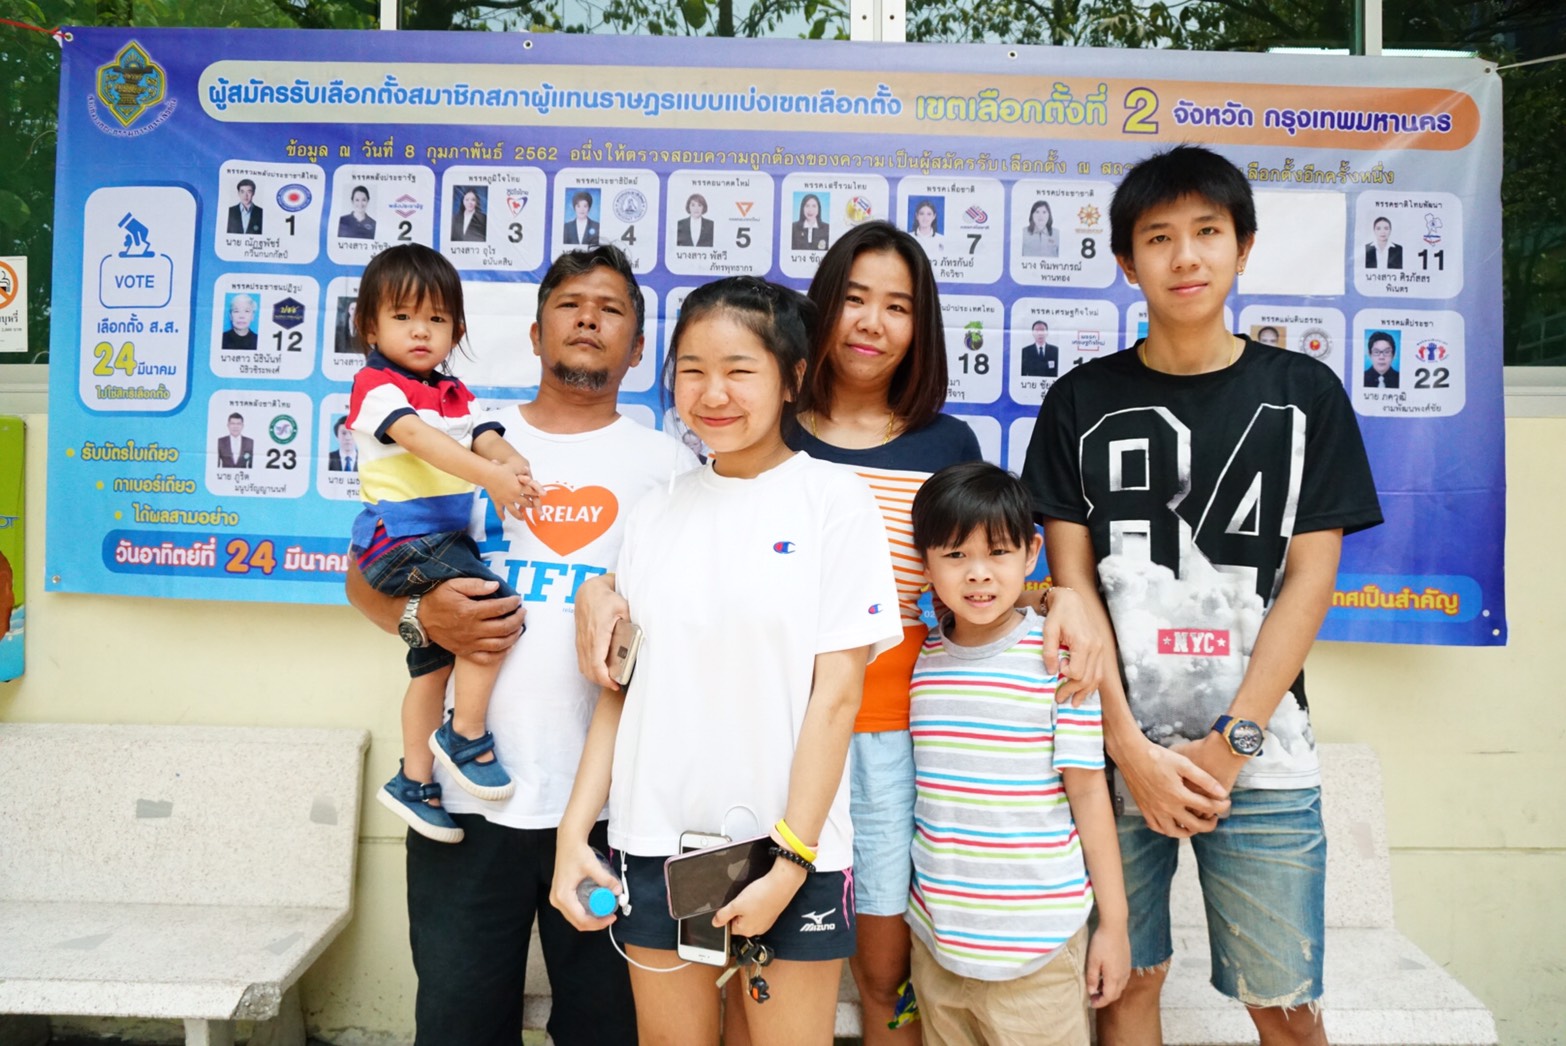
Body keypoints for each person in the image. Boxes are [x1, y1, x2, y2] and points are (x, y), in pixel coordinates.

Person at [570, 220, 1105, 1043]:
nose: (714, 392)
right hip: (697, 792)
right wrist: (596, 591)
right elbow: (646, 646)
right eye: (695, 372)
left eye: (897, 306)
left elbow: (964, 579)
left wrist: (1054, 593)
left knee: (874, 970)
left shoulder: (883, 473)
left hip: (852, 766)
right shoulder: (691, 486)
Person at [1022, 144, 1383, 1046]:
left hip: (1261, 755)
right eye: (1159, 237)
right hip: (1114, 753)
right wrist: (1128, 749)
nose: (1185, 257)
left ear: (1244, 247)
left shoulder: (1304, 395)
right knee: (1127, 987)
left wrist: (1233, 743)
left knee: (1287, 1008)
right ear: (1125, 261)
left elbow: (1310, 578)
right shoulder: (1079, 401)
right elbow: (1073, 592)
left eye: (1207, 233)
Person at [551, 276, 902, 1045]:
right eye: (692, 368)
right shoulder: (655, 514)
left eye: (740, 369)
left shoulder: (833, 504)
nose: (713, 392)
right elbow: (621, 689)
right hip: (655, 847)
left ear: (792, 379)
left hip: (786, 855)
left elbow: (837, 698)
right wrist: (575, 833)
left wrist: (789, 862)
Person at [349, 244, 683, 1046]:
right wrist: (423, 621)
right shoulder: (455, 442)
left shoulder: (670, 468)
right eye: (570, 304)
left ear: (638, 349)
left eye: (612, 308)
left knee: (606, 1029)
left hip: (611, 812)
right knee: (459, 1025)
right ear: (534, 335)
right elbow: (366, 580)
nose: (589, 319)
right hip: (466, 807)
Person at [906, 461, 1128, 1046]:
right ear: (925, 560)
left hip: (1039, 952)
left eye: (997, 553)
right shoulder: (922, 661)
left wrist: (1115, 926)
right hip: (939, 948)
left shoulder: (1060, 657)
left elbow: (1088, 793)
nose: (978, 575)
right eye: (954, 556)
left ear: (1031, 554)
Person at [345, 243, 543, 848]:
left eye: (436, 319)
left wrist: (515, 466)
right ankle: (467, 735)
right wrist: (490, 478)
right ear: (370, 326)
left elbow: (485, 436)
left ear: (457, 328)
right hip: (401, 537)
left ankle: (414, 781)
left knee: (433, 660)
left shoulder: (454, 392)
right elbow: (422, 441)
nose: (421, 331)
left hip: (436, 540)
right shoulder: (377, 387)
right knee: (493, 613)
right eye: (403, 317)